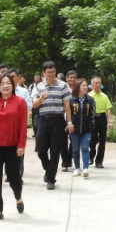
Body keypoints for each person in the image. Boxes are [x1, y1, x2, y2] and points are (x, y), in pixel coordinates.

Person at [0, 73, 27, 221]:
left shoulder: (20, 102)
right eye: (2, 83)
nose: (5, 86)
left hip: (12, 147)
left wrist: (21, 144)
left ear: (13, 85)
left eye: (8, 83)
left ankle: (18, 197)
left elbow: (23, 125)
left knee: (14, 178)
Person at [31, 61, 73, 190]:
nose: (51, 74)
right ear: (43, 73)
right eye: (48, 72)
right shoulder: (38, 87)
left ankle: (50, 179)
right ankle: (48, 169)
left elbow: (67, 105)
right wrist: (41, 98)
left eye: (53, 72)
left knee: (55, 150)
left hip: (58, 120)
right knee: (41, 150)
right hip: (43, 119)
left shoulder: (63, 85)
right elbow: (34, 105)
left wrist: (69, 122)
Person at [67, 72, 95, 177]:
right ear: (78, 87)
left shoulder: (91, 100)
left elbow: (93, 115)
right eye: (83, 85)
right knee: (75, 149)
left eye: (86, 86)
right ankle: (77, 168)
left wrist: (92, 128)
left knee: (85, 148)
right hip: (74, 129)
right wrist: (69, 125)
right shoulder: (71, 100)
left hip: (87, 130)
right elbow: (68, 115)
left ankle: (86, 168)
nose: (86, 87)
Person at [7, 68, 33, 179]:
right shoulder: (3, 90)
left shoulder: (23, 92)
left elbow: (30, 106)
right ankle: (9, 173)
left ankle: (18, 174)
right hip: (6, 125)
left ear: (18, 78)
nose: (11, 79)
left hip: (18, 124)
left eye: (13, 77)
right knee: (6, 151)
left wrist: (19, 104)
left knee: (19, 150)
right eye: (9, 77)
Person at [89, 76, 113, 169]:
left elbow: (108, 109)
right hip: (92, 118)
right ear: (92, 84)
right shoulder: (89, 96)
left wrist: (110, 121)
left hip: (102, 118)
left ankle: (99, 161)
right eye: (96, 83)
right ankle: (91, 156)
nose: (98, 85)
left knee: (102, 140)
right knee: (93, 139)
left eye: (99, 83)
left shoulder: (104, 96)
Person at [29, 73, 42, 139]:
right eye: (35, 81)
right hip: (35, 108)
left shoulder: (43, 86)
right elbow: (31, 99)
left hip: (42, 108)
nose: (36, 82)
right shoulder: (33, 87)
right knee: (35, 124)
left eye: (38, 81)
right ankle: (36, 134)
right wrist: (30, 110)